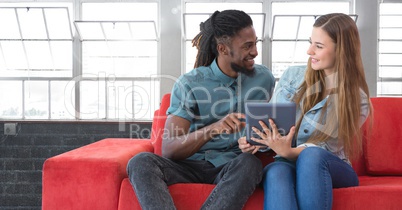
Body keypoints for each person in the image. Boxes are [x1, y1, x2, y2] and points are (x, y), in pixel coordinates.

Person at [127, 9, 275, 210]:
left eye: (255, 43)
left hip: (232, 166)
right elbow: (169, 149)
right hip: (188, 165)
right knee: (141, 162)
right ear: (223, 49)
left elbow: (269, 127)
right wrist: (214, 128)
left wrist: (261, 141)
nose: (255, 52)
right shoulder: (190, 83)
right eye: (247, 46)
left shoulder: (264, 79)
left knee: (250, 163)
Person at [238, 13, 373, 210]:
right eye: (311, 43)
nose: (309, 51)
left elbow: (327, 147)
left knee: (312, 156)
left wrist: (290, 151)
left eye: (318, 46)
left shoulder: (358, 99)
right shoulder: (293, 77)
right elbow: (272, 123)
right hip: (286, 161)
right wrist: (255, 140)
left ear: (341, 50)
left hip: (330, 166)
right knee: (276, 172)